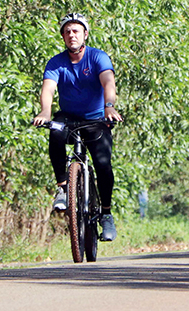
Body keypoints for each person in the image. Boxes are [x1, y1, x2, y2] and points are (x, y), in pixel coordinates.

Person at [32, 13, 123, 241]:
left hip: (96, 118)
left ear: (85, 34)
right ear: (63, 36)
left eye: (76, 31)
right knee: (55, 130)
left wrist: (109, 107)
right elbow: (48, 89)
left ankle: (106, 214)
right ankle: (63, 186)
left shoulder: (97, 57)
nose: (71, 35)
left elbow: (108, 82)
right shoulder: (56, 62)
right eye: (67, 32)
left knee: (103, 163)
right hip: (69, 117)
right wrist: (45, 111)